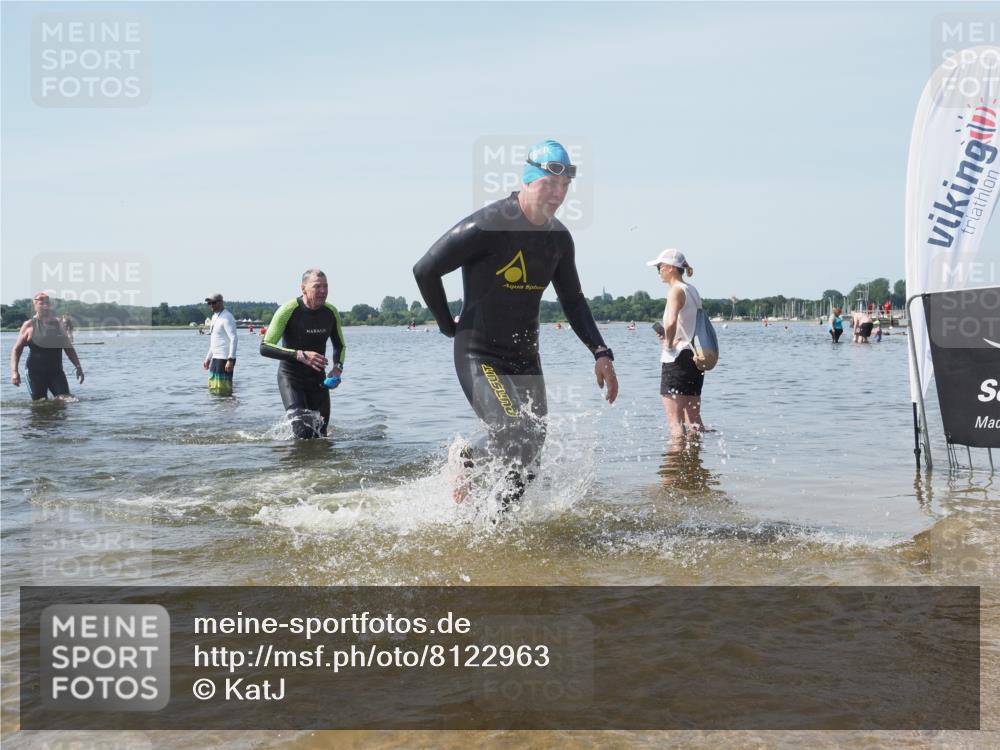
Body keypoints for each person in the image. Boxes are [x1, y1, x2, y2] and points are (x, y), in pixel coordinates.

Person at [413, 138, 618, 512]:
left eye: (565, 187)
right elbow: (425, 270)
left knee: (529, 460)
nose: (557, 194)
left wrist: (600, 352)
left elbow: (573, 300)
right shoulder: (488, 225)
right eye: (549, 183)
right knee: (514, 434)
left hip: (525, 359)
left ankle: (489, 509)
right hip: (480, 354)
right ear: (527, 179)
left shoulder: (558, 240)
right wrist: (446, 325)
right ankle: (487, 524)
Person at [260, 269, 346, 438]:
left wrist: (337, 368)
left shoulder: (331, 312)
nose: (323, 291)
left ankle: (320, 465)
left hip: (318, 380)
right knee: (303, 432)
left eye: (325, 286)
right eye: (317, 286)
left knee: (321, 433)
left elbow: (340, 345)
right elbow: (265, 346)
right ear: (303, 288)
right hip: (291, 378)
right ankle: (297, 463)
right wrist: (300, 355)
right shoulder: (288, 310)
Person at [650, 249, 705, 436]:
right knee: (694, 421)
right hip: (694, 357)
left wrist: (668, 344)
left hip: (676, 359)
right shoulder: (693, 290)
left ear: (671, 268)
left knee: (676, 424)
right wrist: (669, 335)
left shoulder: (675, 290)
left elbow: (672, 321)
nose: (658, 271)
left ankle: (675, 464)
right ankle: (696, 462)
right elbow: (687, 323)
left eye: (659, 267)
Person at [10, 292, 85, 400]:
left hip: (56, 372)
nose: (45, 305)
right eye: (41, 302)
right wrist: (14, 372)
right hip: (35, 373)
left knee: (67, 400)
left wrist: (78, 367)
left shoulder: (58, 324)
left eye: (47, 303)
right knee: (40, 404)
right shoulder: (29, 325)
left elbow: (68, 348)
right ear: (34, 304)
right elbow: (16, 350)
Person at [202, 293, 238, 395]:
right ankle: (217, 411)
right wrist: (208, 358)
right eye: (209, 303)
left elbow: (234, 339)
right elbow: (214, 341)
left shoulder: (227, 317)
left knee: (223, 390)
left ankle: (228, 410)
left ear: (221, 302)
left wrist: (230, 359)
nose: (211, 305)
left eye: (214, 302)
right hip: (215, 358)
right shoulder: (214, 317)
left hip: (224, 359)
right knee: (213, 389)